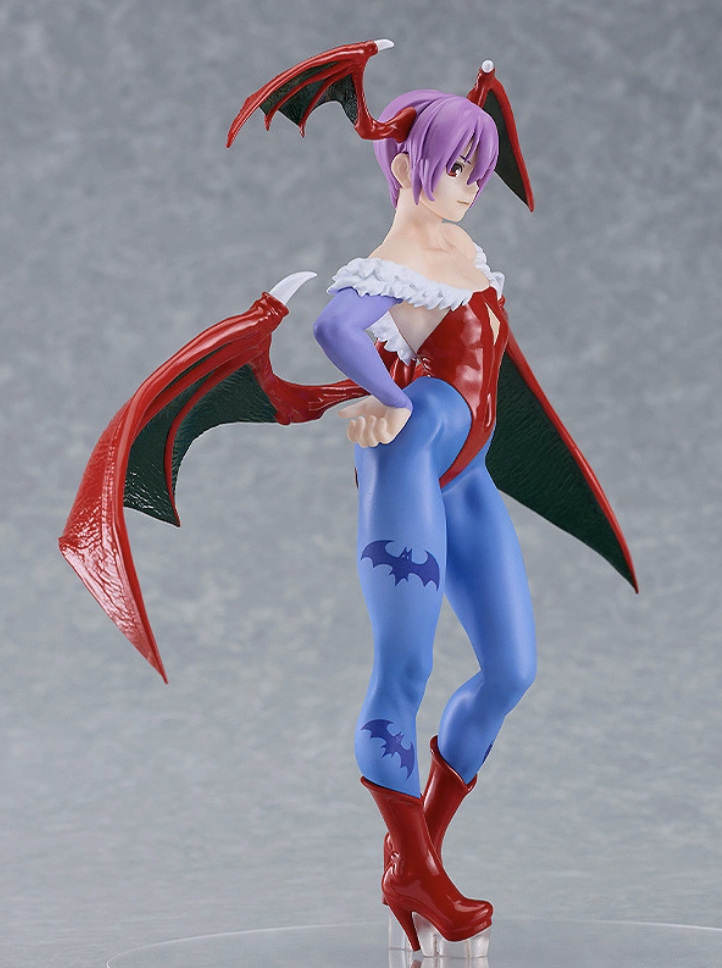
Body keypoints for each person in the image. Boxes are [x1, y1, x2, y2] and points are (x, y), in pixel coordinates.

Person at [313, 89, 535, 949]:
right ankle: (417, 870)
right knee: (403, 671)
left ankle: (415, 859)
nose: (472, 184)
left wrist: (394, 386)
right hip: (408, 466)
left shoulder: (463, 248)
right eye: (458, 166)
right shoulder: (393, 262)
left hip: (468, 474)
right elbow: (336, 325)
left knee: (510, 670)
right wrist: (388, 397)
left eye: (480, 168)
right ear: (407, 164)